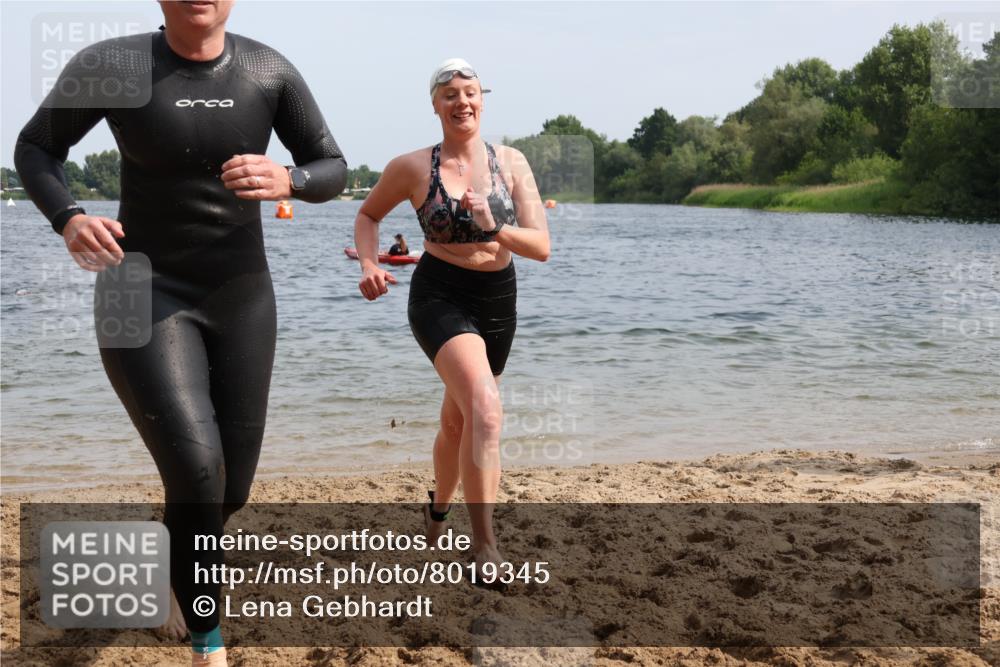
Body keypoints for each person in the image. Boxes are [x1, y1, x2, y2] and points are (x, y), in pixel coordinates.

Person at [14, 2, 346, 664]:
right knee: (197, 468)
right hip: (138, 287)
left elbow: (330, 166)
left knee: (229, 488)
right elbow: (36, 147)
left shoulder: (266, 69)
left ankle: (168, 556)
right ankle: (208, 643)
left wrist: (290, 177)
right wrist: (68, 216)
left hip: (241, 294)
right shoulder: (114, 65)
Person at [353, 58, 550, 578]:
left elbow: (542, 246)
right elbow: (368, 214)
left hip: (498, 297)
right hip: (439, 293)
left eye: (470, 92)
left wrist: (494, 228)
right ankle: (484, 544)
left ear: (483, 99)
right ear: (435, 104)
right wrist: (371, 264)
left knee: (458, 421)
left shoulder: (512, 162)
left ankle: (438, 508)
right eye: (449, 94)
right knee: (486, 411)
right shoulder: (413, 167)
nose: (462, 101)